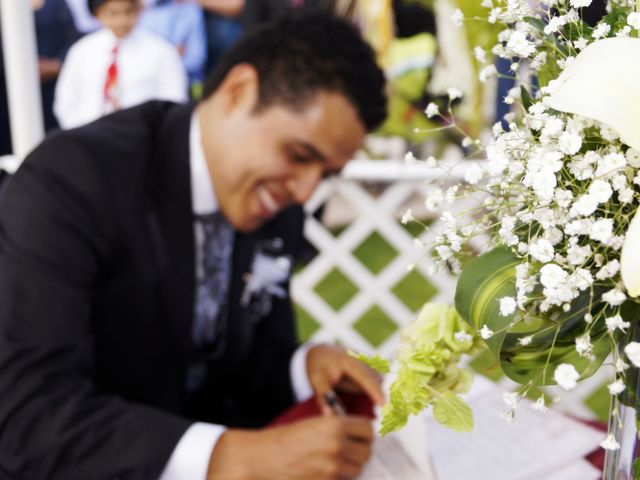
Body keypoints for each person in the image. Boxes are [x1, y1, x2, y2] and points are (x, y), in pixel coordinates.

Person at [0, 11, 387, 480]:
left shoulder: (275, 199)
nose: (306, 192)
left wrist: (304, 366)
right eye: (299, 154)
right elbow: (29, 417)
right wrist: (229, 457)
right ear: (239, 90)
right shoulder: (74, 179)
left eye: (323, 174)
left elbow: (244, 365)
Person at [53, 0, 188, 129]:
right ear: (98, 13)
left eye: (128, 12)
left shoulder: (161, 50)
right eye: (113, 13)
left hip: (144, 140)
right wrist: (83, 134)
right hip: (90, 138)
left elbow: (174, 100)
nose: (122, 21)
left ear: (139, 10)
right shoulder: (81, 51)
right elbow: (65, 102)